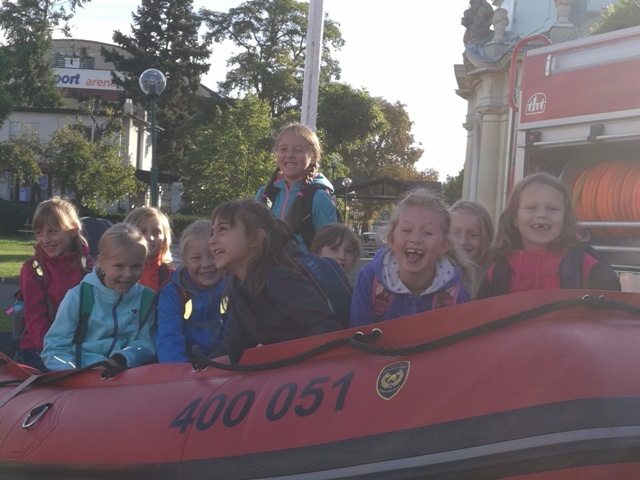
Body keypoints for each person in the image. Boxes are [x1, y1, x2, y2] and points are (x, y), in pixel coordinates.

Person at [208, 199, 343, 364]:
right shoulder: (240, 288)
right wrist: (198, 370)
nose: (211, 240)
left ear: (255, 238)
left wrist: (294, 369)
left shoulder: (281, 278)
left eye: (222, 229)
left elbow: (326, 327)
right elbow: (234, 347)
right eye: (212, 232)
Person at [349, 189, 481, 327]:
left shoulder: (454, 295)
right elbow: (359, 334)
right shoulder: (370, 281)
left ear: (444, 246)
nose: (416, 239)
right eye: (407, 230)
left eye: (428, 233)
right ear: (391, 240)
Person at [483, 172, 621, 296]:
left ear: (565, 219)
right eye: (531, 207)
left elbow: (611, 312)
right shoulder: (497, 273)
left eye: (553, 208)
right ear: (514, 217)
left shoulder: (586, 265)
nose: (542, 214)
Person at [42, 223, 157, 371]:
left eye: (136, 266)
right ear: (101, 262)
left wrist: (121, 359)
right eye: (119, 266)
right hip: (82, 373)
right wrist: (73, 372)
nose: (128, 274)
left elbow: (146, 343)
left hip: (126, 373)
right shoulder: (79, 297)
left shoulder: (146, 299)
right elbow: (55, 348)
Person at [16, 197, 92, 372]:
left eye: (52, 231)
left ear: (73, 230)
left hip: (79, 344)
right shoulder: (34, 269)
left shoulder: (89, 267)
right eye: (39, 233)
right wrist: (53, 352)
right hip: (40, 346)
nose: (45, 240)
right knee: (65, 379)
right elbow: (35, 318)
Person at [256, 123, 337, 252]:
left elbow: (330, 247)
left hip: (302, 264)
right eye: (283, 149)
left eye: (298, 150)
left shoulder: (318, 197)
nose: (289, 155)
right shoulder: (265, 193)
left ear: (313, 157)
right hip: (267, 264)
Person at [156, 220, 227, 363]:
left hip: (226, 363)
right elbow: (169, 338)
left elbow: (238, 334)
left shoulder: (234, 286)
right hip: (187, 366)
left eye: (213, 254)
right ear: (185, 261)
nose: (206, 264)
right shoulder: (173, 293)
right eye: (196, 258)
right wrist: (179, 372)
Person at [124, 206, 174, 291]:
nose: (150, 238)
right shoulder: (115, 271)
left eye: (157, 233)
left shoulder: (172, 278)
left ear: (164, 240)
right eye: (143, 231)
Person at [450, 199, 495, 269]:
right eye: (456, 233)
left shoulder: (497, 273)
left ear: (487, 237)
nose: (463, 241)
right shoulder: (434, 272)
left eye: (473, 235)